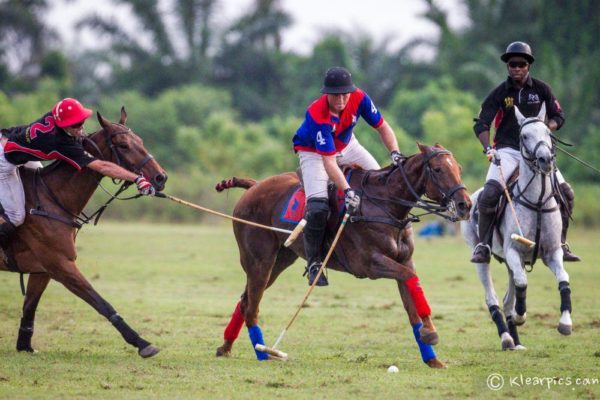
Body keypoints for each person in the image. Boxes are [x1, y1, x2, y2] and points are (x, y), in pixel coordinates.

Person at [292, 66, 405, 286]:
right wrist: (348, 191)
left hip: (348, 144)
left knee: (380, 184)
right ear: (327, 94)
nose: (342, 99)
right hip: (314, 152)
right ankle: (314, 263)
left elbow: (383, 127)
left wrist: (395, 153)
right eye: (336, 95)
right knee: (318, 207)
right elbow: (329, 161)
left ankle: (387, 239)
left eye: (345, 93)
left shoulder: (360, 97)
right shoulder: (317, 113)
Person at [471, 41, 580, 264]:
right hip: (508, 151)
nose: (517, 68)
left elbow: (559, 116)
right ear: (508, 67)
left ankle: (562, 244)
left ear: (528, 65)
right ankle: (483, 246)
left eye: (521, 64)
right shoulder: (500, 93)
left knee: (567, 194)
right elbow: (481, 124)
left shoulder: (542, 89)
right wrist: (488, 149)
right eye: (512, 64)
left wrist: (544, 131)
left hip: (538, 153)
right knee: (488, 195)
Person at [0, 98, 155, 245]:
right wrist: (136, 179)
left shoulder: (56, 118)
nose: (80, 126)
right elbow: (102, 166)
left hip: (15, 147)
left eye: (81, 121)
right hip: (4, 158)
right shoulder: (58, 142)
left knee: (39, 193)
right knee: (16, 216)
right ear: (63, 125)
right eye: (75, 125)